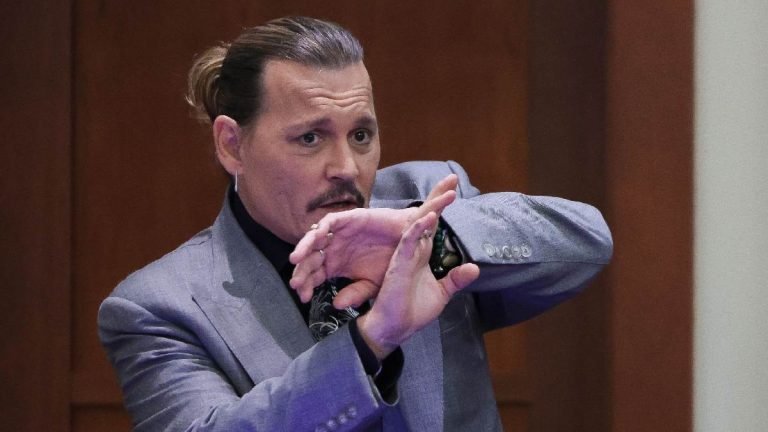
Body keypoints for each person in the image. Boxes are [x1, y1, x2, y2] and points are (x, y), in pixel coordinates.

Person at [98, 16, 612, 432]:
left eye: (361, 135)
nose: (346, 167)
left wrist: (431, 243)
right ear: (232, 145)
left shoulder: (423, 200)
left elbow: (585, 243)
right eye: (310, 138)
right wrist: (370, 342)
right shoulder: (160, 305)